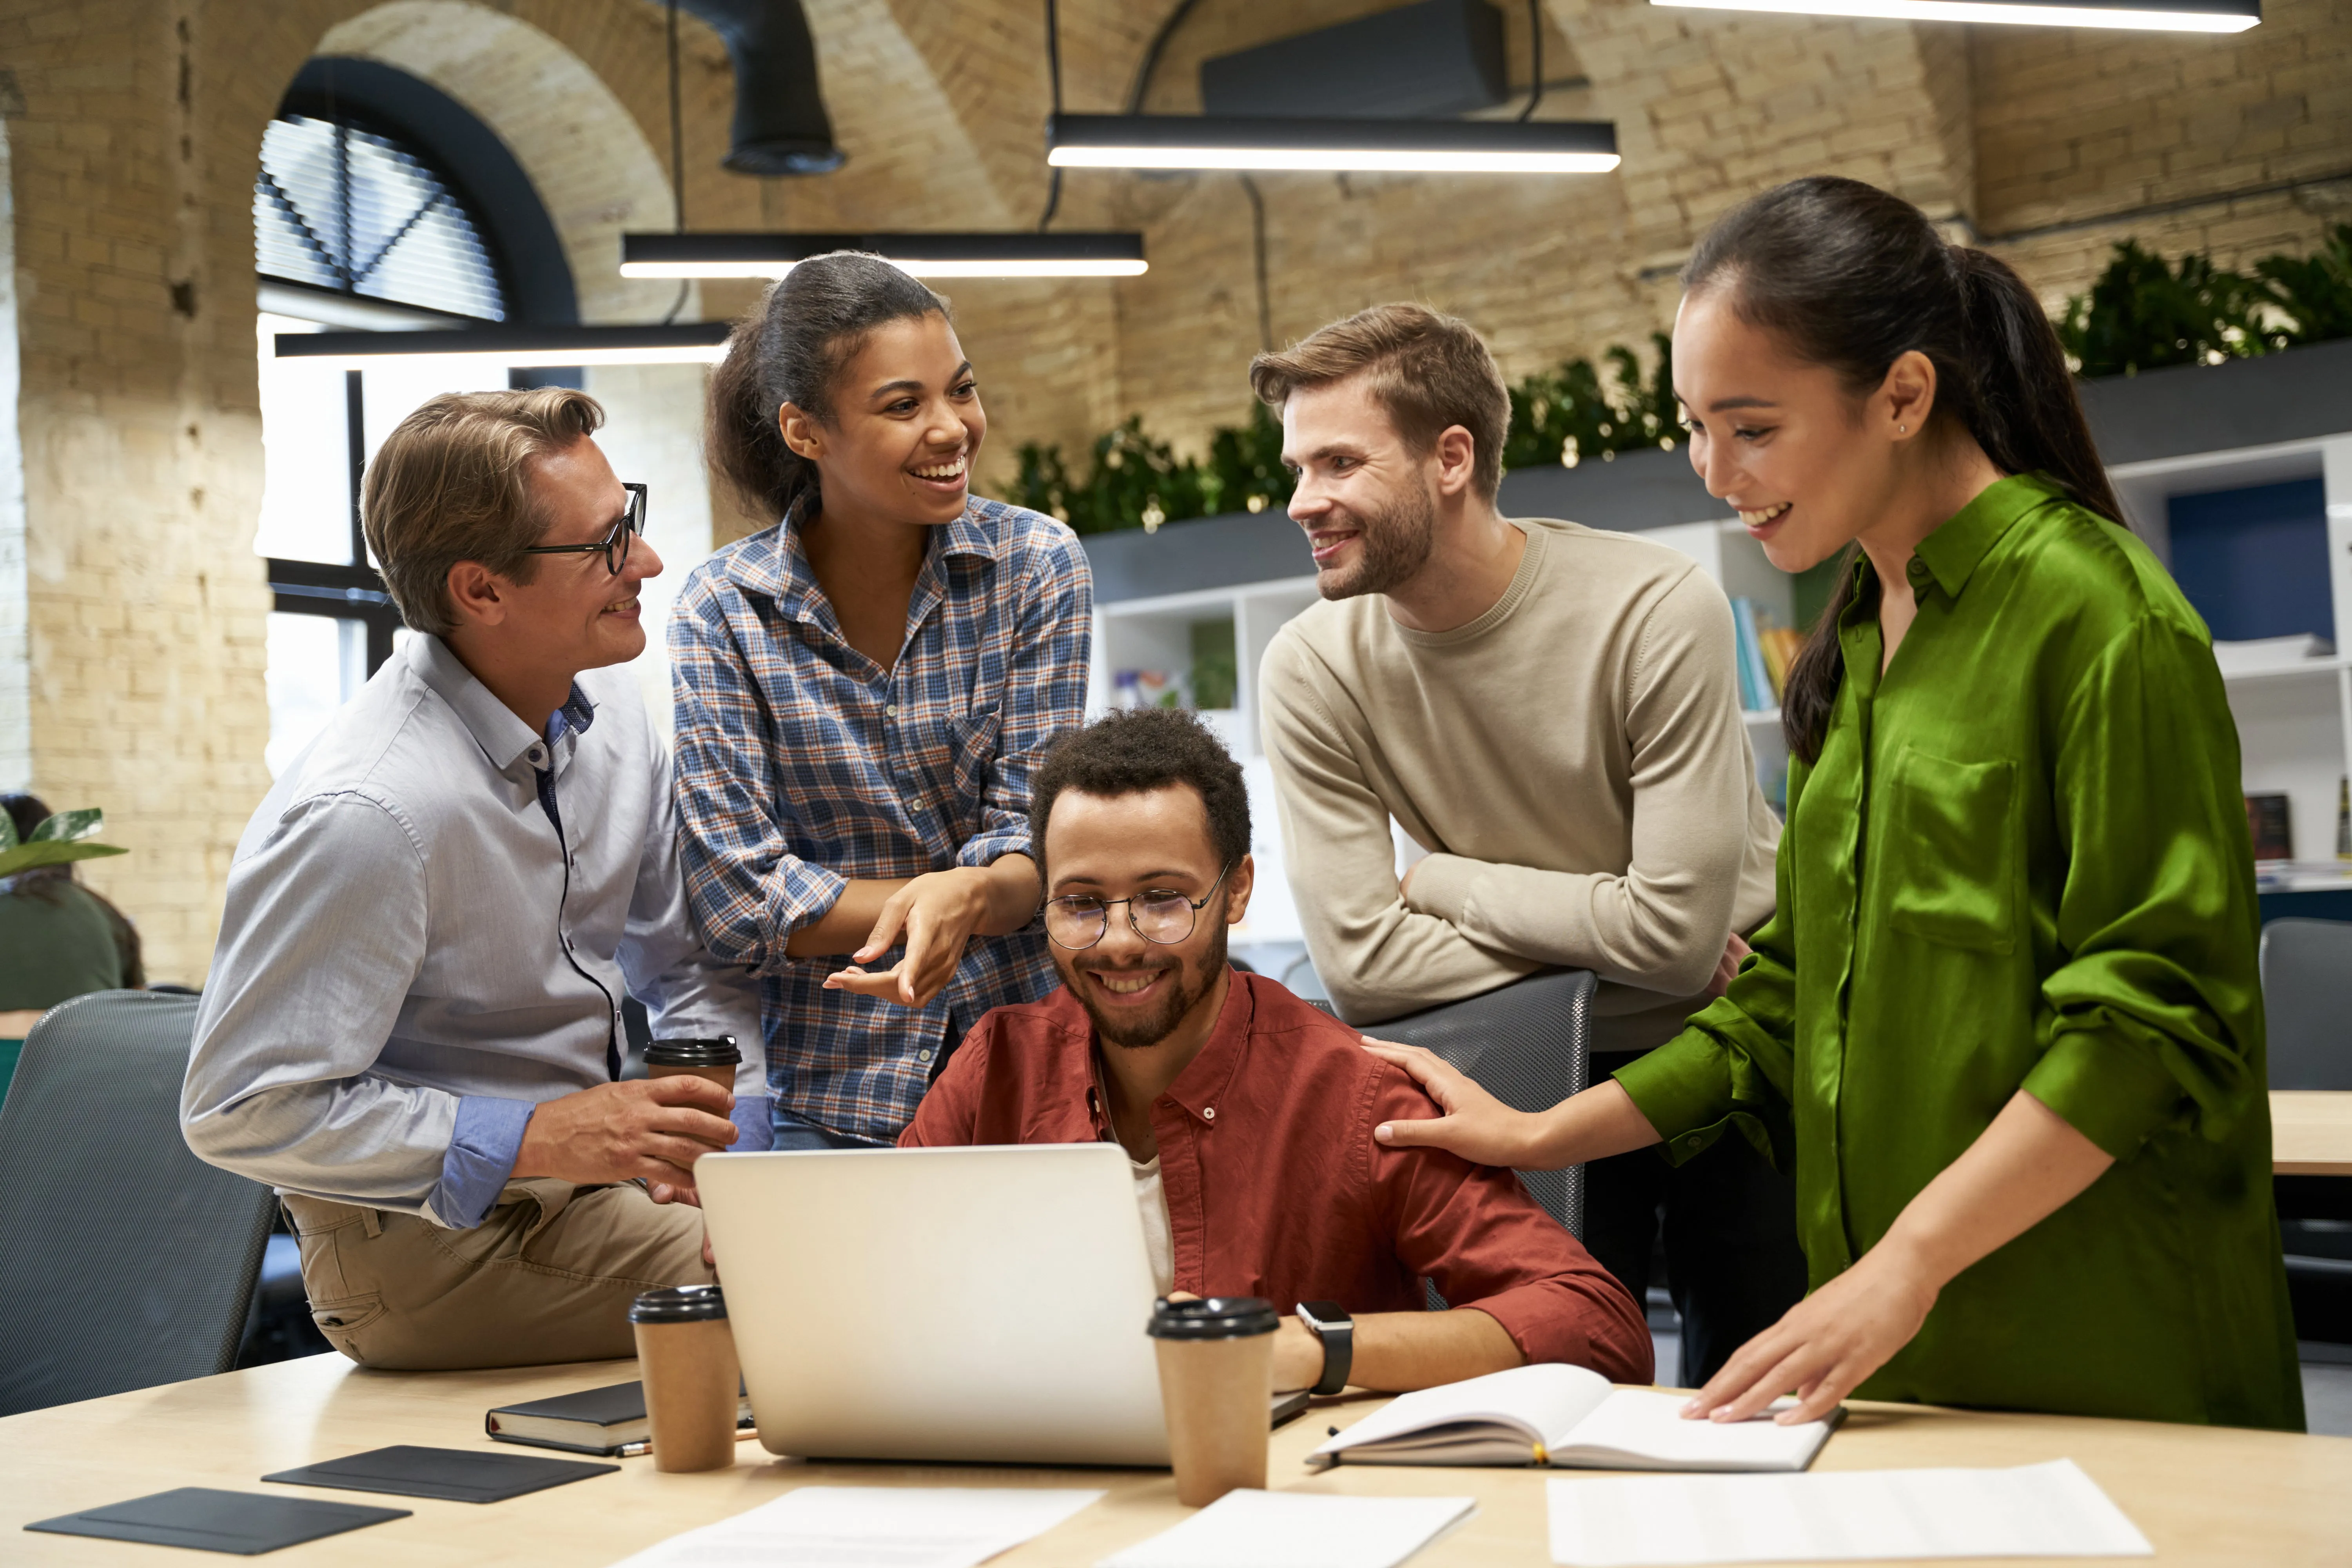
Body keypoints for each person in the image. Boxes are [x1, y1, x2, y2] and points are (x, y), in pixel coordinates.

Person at [1367, 176, 2304, 1432]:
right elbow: (1785, 993)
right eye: (1696, 426)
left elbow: (2152, 1019)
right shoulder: (1859, 627)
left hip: (2102, 1334)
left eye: (1752, 428)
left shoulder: (2100, 616)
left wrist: (1909, 1262)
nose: (1714, 472)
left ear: (1905, 395)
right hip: (1885, 1340)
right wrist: (1543, 1135)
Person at [1251, 303, 1802, 1385]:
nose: (1300, 502)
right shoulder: (1313, 665)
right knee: (1557, 1408)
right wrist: (1628, 932)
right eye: (1296, 466)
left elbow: (1684, 945)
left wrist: (1447, 880)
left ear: (1450, 457)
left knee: (1773, 1401)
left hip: (1735, 1053)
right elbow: (1364, 968)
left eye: (1337, 463)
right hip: (1525, 1077)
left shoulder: (1653, 605)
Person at [183, 389, 763, 1371]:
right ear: (481, 591)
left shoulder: (613, 711)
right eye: (604, 544)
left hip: (588, 1198)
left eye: (632, 518)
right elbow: (240, 1105)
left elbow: (686, 958)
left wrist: (732, 1139)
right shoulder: (371, 811)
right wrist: (539, 1134)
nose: (649, 563)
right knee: (815, 1277)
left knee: (851, 1218)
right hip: (425, 1255)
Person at [902, 708, 1652, 1394]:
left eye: (1164, 898)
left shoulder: (1354, 1094)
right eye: (1082, 903)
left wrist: (1307, 1348)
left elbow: (1597, 1327)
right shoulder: (997, 1066)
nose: (1121, 942)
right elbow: (875, 1284)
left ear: (1236, 892)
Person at [673, 252, 1091, 1151]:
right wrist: (958, 896)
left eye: (962, 390)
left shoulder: (1038, 565)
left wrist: (977, 890)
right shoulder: (723, 610)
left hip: (1034, 1073)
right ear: (805, 430)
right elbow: (738, 898)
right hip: (832, 1091)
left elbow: (1041, 842)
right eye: (904, 405)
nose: (952, 429)